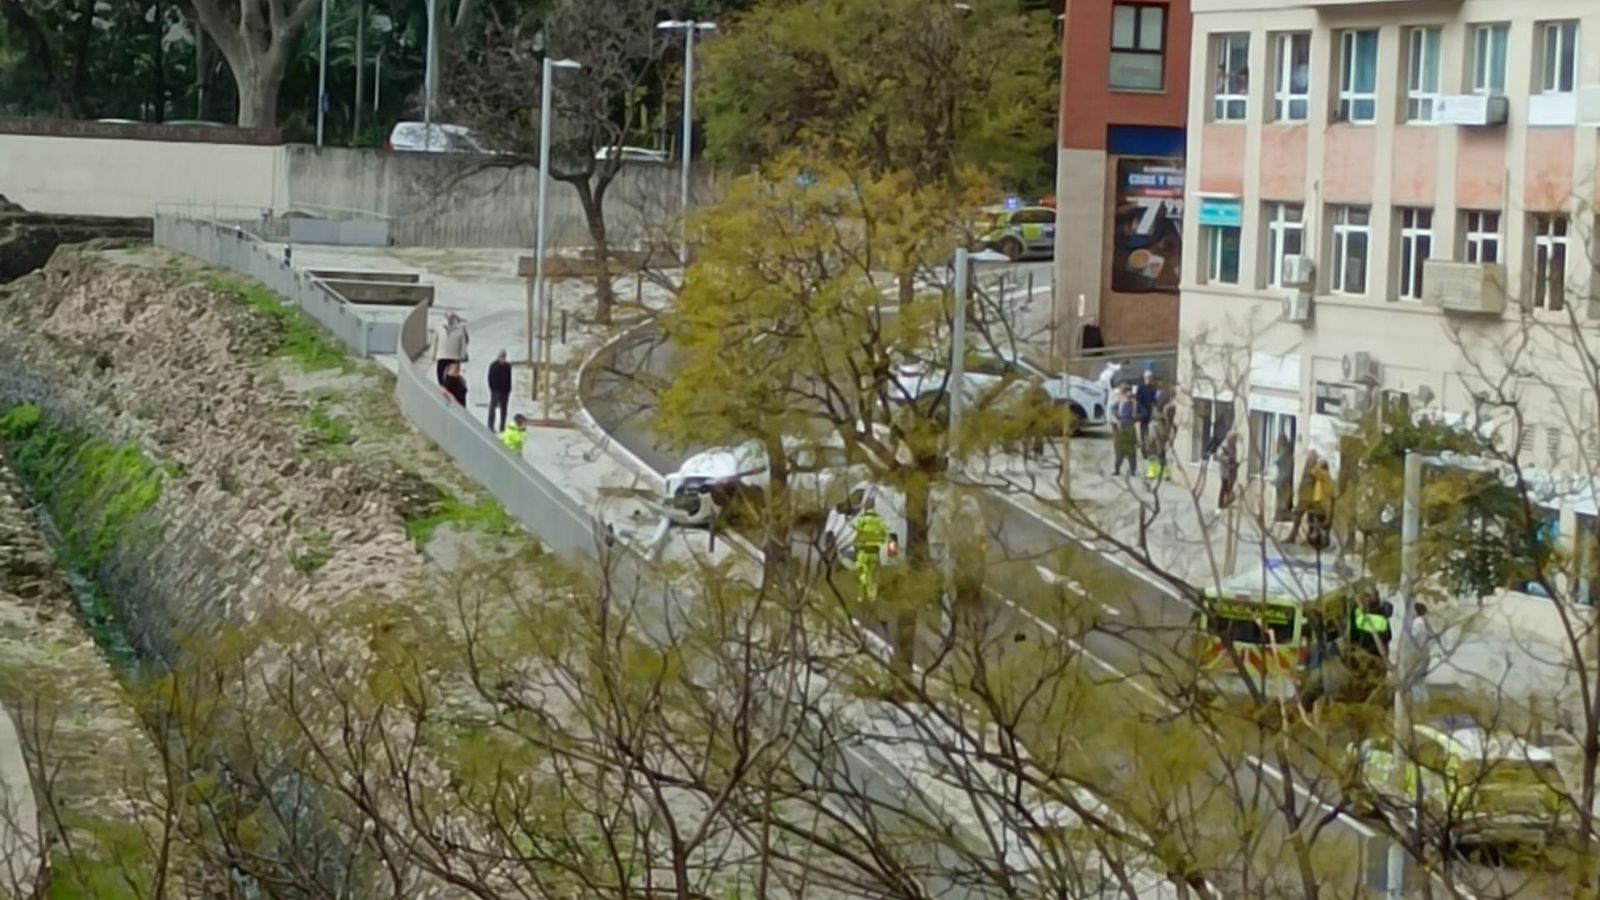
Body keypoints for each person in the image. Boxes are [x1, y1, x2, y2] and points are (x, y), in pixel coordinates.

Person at [853, 499, 889, 604]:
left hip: (863, 551)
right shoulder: (879, 520)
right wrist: (880, 542)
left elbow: (856, 533)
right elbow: (885, 535)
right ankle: (871, 597)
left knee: (862, 572)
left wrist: (856, 544)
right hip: (874, 551)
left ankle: (861, 596)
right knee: (873, 574)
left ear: (865, 507)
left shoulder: (861, 519)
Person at [1404, 602, 1436, 707]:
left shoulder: (1418, 623)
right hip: (1425, 653)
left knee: (1415, 680)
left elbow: (1415, 639)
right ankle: (1424, 703)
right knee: (1420, 680)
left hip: (1418, 654)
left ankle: (1419, 702)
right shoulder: (1424, 622)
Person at [1287, 449, 1320, 542]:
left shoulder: (1315, 469)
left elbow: (1315, 483)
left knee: (1307, 518)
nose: (1309, 459)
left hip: (1309, 498)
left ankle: (1299, 537)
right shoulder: (1308, 468)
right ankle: (1295, 536)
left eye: (1311, 457)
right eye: (1309, 457)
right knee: (1303, 518)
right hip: (1304, 497)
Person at [432, 312, 470, 385]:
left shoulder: (460, 328)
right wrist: (434, 354)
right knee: (441, 375)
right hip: (443, 355)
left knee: (451, 377)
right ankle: (443, 386)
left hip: (454, 357)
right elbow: (435, 341)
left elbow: (463, 343)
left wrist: (462, 356)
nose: (450, 319)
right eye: (448, 317)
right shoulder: (440, 327)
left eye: (451, 318)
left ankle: (447, 386)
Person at [1304, 458, 1334, 550]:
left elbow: (1313, 471)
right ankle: (1315, 538)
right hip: (1318, 504)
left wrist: (1313, 461)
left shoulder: (1324, 475)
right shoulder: (1320, 478)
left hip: (1323, 505)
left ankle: (1320, 540)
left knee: (1320, 523)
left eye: (1319, 465)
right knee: (1313, 519)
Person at [1111, 383, 1139, 477]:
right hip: (1121, 427)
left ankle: (1133, 470)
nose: (1128, 394)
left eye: (1129, 391)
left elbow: (1143, 412)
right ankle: (1117, 469)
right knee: (1119, 450)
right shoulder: (1120, 402)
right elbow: (1113, 409)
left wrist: (1136, 417)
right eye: (1126, 392)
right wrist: (1117, 415)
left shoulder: (1134, 403)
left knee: (1131, 451)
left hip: (1130, 427)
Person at [487, 350, 512, 432]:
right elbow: (490, 378)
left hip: (505, 391)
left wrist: (509, 388)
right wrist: (492, 388)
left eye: (504, 357)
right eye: (501, 357)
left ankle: (502, 426)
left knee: (504, 409)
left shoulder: (508, 366)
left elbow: (509, 378)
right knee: (492, 407)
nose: (502, 359)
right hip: (496, 390)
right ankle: (490, 425)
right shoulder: (493, 366)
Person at [1272, 435, 1295, 523]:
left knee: (1283, 500)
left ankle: (1282, 516)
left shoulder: (1285, 455)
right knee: (1282, 500)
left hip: (1284, 480)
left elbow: (1284, 467)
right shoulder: (1286, 454)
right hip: (1283, 480)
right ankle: (1281, 515)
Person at [1135, 369, 1159, 449]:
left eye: (1150, 378)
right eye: (1148, 378)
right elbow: (1138, 399)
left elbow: (1155, 399)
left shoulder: (1153, 388)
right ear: (1144, 378)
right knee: (1143, 428)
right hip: (1143, 410)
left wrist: (1154, 404)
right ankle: (1143, 444)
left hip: (1150, 410)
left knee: (1151, 429)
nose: (1149, 379)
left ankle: (1149, 444)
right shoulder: (1141, 388)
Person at [1215, 433, 1240, 508]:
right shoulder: (1224, 446)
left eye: (1235, 440)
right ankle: (1221, 504)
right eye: (1234, 439)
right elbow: (1218, 456)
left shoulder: (1233, 446)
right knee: (1224, 486)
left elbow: (1234, 456)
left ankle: (1227, 501)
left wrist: (1235, 463)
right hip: (1225, 470)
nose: (1235, 441)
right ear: (1230, 438)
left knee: (1230, 485)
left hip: (1232, 469)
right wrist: (1228, 459)